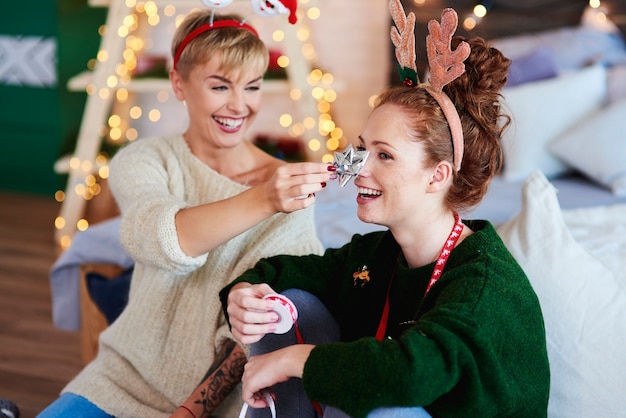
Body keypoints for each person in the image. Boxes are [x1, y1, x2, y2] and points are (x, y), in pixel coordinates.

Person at [220, 3, 550, 418]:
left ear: (437, 176)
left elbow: (413, 373)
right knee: (287, 303)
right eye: (363, 149)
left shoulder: (484, 286)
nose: (360, 169)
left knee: (389, 408)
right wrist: (242, 295)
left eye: (385, 156)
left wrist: (289, 359)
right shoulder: (378, 254)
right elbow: (283, 271)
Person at [38, 9, 336, 418]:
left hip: (224, 404)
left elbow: (261, 326)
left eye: (251, 87)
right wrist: (264, 199)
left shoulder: (290, 197)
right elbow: (157, 240)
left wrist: (191, 411)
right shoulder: (146, 159)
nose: (239, 105)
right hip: (119, 378)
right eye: (219, 86)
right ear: (179, 83)